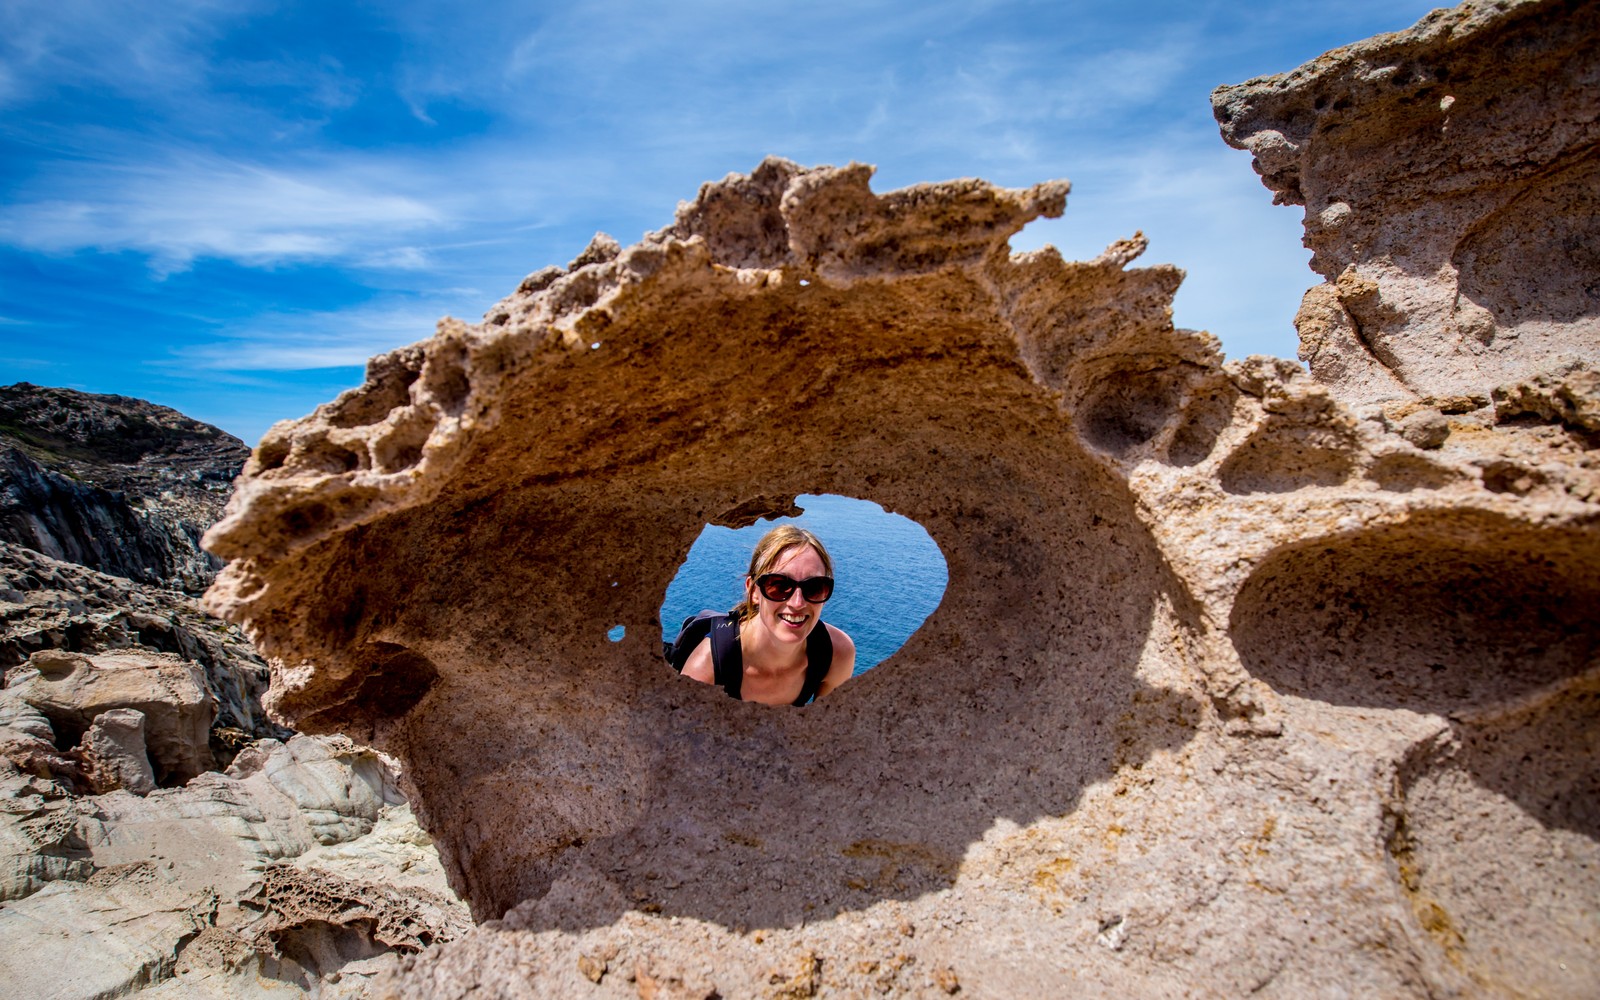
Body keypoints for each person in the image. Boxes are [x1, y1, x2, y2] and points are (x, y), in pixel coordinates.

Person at [681, 524, 856, 705]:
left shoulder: (836, 653)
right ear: (753, 591)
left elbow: (826, 729)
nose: (797, 603)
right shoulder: (707, 667)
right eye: (778, 586)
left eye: (814, 588)